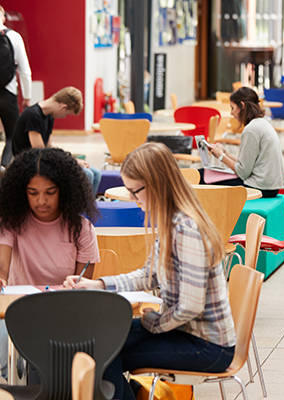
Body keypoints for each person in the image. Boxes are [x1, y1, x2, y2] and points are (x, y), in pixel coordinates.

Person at [64, 142, 236, 400]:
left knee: (104, 352)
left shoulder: (185, 229)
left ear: (156, 184)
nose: (133, 199)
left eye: (135, 192)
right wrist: (96, 284)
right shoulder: (171, 221)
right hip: (186, 331)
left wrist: (155, 324)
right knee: (100, 341)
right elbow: (148, 275)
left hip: (207, 346)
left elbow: (190, 306)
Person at [0, 147, 101, 380]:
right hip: (18, 311)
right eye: (32, 192)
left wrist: (76, 285)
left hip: (63, 313)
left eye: (50, 192)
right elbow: (2, 269)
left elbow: (84, 285)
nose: (41, 201)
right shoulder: (11, 223)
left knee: (47, 361)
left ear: (64, 191)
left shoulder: (82, 229)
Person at [10, 86, 102, 195]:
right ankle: (77, 208)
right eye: (67, 113)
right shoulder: (33, 116)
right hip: (30, 163)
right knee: (87, 175)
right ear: (63, 107)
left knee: (96, 173)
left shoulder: (49, 116)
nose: (63, 117)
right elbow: (41, 152)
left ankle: (88, 208)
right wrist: (71, 161)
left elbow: (49, 147)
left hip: (41, 159)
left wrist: (70, 158)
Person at [202, 86, 284, 198]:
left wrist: (221, 157)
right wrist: (225, 153)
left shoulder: (251, 129)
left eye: (232, 108)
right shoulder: (261, 123)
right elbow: (247, 165)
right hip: (269, 186)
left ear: (242, 105)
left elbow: (242, 172)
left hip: (260, 187)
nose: (231, 113)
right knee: (208, 175)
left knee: (203, 177)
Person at [0, 5, 32, 167]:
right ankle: (4, 169)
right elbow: (25, 71)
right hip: (7, 94)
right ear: (4, 17)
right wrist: (27, 97)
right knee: (12, 135)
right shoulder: (14, 37)